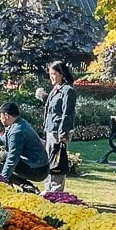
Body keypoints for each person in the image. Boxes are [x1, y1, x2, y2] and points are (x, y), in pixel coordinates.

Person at [0, 101, 49, 187]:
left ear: (6, 115)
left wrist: (2, 179)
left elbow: (12, 158)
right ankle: (11, 184)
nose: (0, 118)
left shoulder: (17, 131)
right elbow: (2, 140)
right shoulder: (16, 124)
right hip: (38, 167)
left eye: (1, 115)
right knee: (0, 156)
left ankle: (24, 186)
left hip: (38, 170)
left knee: (2, 157)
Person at [42, 62, 77, 194]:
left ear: (62, 74)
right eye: (50, 74)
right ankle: (47, 188)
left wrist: (63, 133)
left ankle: (56, 191)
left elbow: (67, 113)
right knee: (48, 160)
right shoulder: (56, 88)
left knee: (57, 160)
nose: (51, 76)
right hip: (50, 129)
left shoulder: (68, 90)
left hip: (58, 131)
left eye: (54, 74)